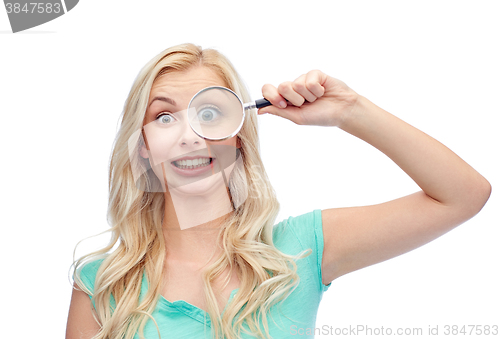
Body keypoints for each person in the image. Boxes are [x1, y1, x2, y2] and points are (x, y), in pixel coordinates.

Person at [65, 43, 491, 339]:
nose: (190, 135)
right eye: (163, 117)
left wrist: (349, 111)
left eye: (209, 113)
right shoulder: (101, 283)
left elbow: (463, 195)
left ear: (238, 135)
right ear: (142, 147)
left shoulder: (301, 251)